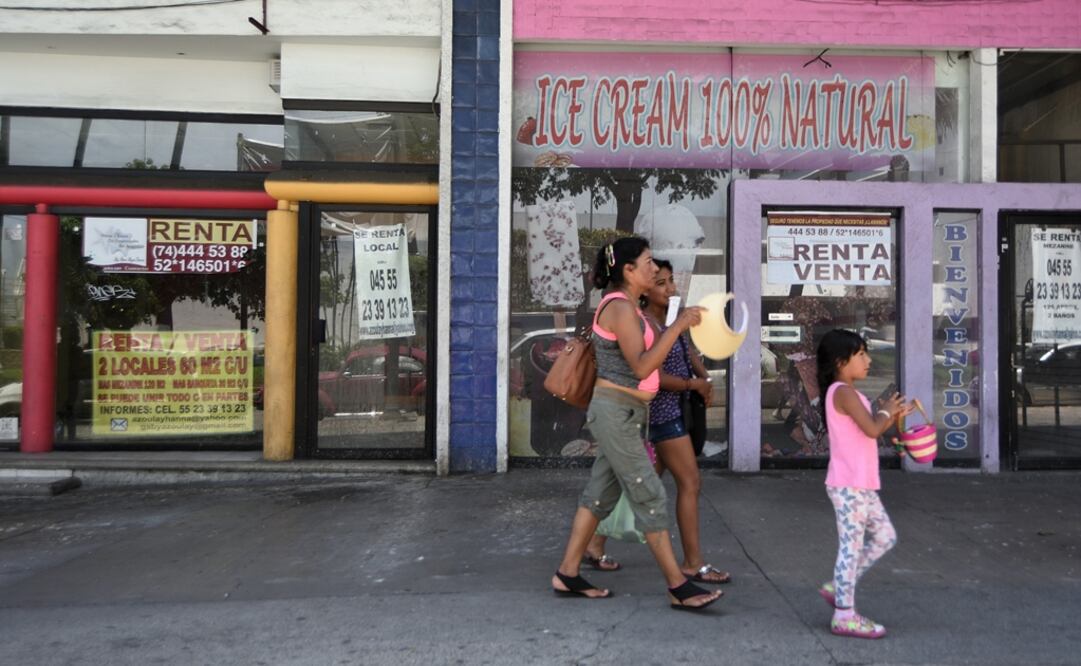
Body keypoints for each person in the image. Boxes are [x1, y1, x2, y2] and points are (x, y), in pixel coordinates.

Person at [551, 237, 722, 611]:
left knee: (599, 495)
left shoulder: (631, 308)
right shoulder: (618, 309)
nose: (653, 268)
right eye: (646, 262)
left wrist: (677, 329)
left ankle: (567, 573)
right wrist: (677, 327)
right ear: (628, 270)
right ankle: (678, 585)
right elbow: (643, 366)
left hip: (626, 413)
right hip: (615, 411)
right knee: (650, 495)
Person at [583, 259, 730, 584]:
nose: (670, 288)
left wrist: (705, 377)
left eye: (670, 281)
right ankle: (693, 564)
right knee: (690, 483)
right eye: (661, 282)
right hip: (659, 414)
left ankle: (594, 543)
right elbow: (653, 373)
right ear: (646, 289)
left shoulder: (672, 318)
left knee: (629, 484)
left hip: (673, 411)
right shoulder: (643, 322)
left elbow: (686, 350)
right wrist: (694, 385)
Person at [815, 329, 912, 639]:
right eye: (861, 355)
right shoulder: (842, 392)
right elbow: (872, 428)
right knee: (851, 547)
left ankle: (839, 586)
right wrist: (886, 409)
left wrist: (892, 415)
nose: (868, 360)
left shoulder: (846, 392)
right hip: (849, 485)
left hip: (861, 484)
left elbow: (871, 429)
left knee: (885, 537)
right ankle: (844, 615)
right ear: (841, 361)